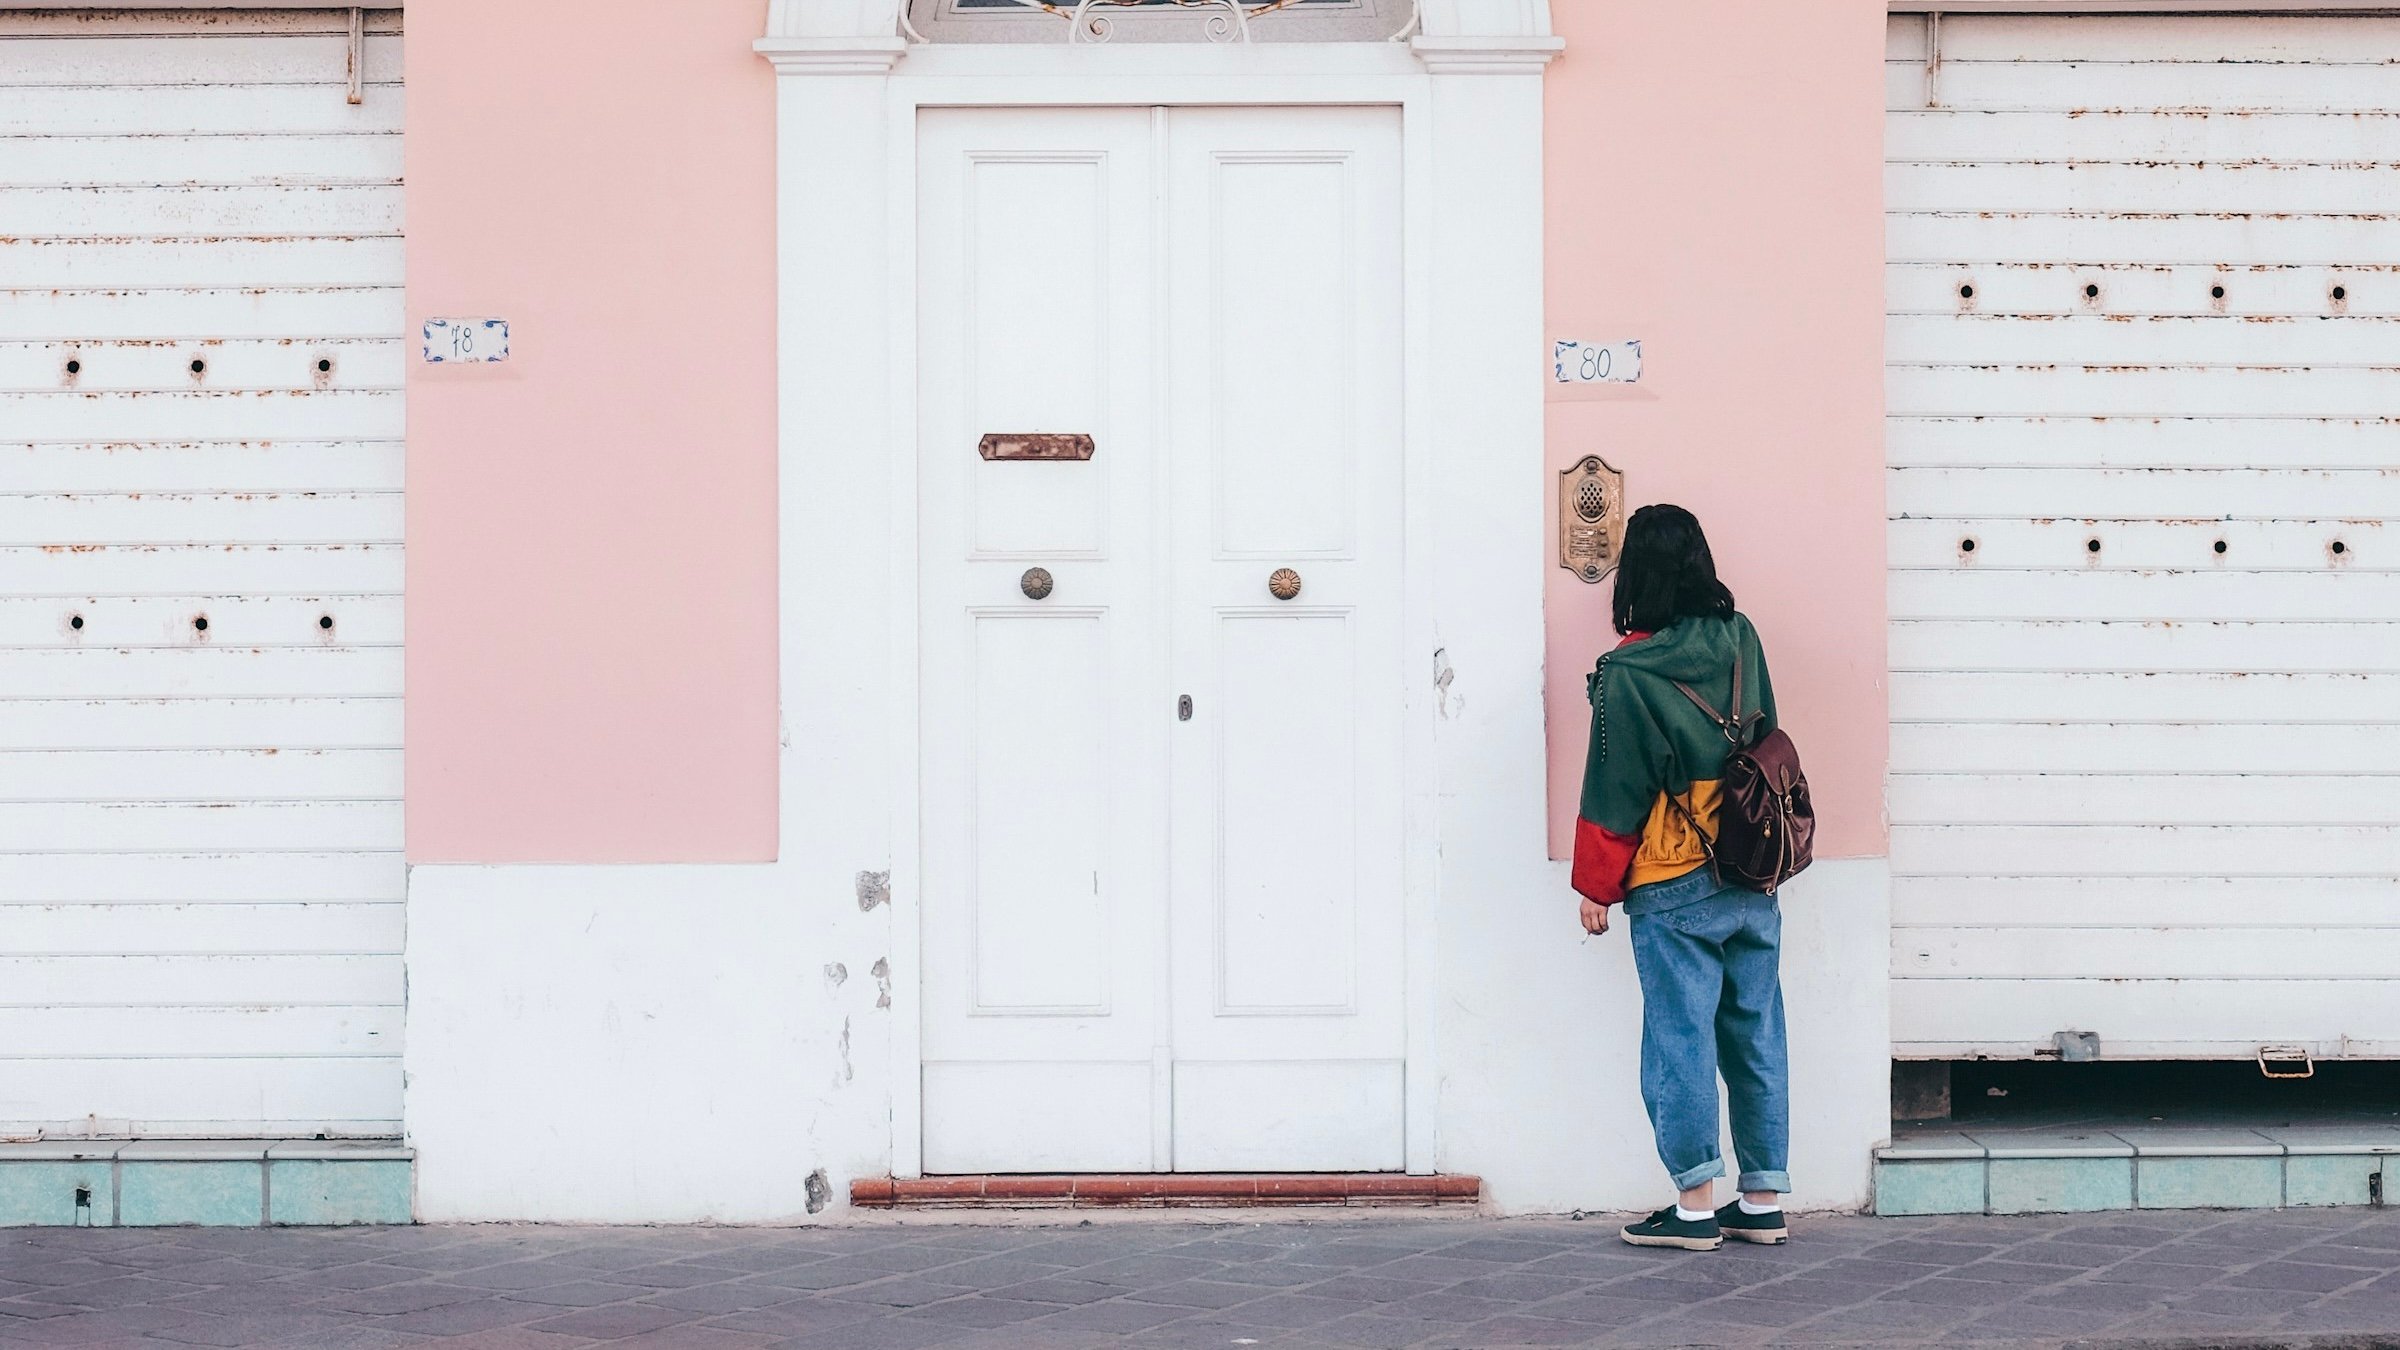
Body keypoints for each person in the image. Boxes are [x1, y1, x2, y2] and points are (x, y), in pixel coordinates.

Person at [1571, 504, 1790, 1252]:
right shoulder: (1742, 638)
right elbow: (1765, 738)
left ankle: (1696, 1203)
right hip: (1752, 862)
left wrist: (1595, 888)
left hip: (1672, 875)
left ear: (1636, 571)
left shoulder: (1627, 672)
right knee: (1756, 1033)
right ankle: (1761, 1200)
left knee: (1679, 1038)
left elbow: (1615, 791)